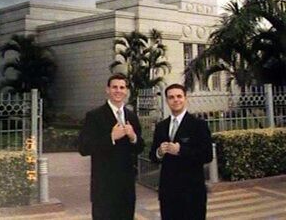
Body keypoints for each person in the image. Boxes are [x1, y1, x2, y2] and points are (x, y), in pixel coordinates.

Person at [78, 73, 145, 220]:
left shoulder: (131, 116)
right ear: (107, 90)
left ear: (126, 91)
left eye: (122, 87)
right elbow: (84, 148)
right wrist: (111, 138)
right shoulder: (94, 116)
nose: (118, 90)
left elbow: (140, 147)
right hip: (104, 186)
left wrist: (133, 137)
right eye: (114, 87)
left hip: (126, 187)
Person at [149, 83, 213, 220]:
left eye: (179, 96)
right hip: (168, 192)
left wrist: (181, 150)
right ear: (167, 101)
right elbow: (152, 156)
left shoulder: (198, 125)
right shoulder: (161, 126)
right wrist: (159, 152)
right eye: (171, 97)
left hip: (192, 192)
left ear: (185, 98)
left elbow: (207, 155)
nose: (175, 100)